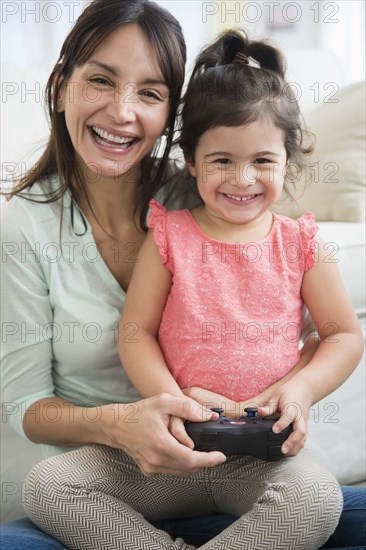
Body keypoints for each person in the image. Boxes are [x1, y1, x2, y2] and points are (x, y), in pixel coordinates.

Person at [0, 0, 364, 548]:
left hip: (250, 465)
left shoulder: (202, 194)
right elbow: (29, 407)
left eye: (148, 93)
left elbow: (325, 327)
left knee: (327, 502)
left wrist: (296, 391)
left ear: (171, 117)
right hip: (134, 474)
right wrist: (137, 418)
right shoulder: (34, 228)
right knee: (45, 493)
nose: (123, 113)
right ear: (60, 87)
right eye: (101, 80)